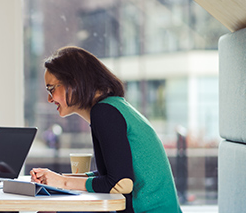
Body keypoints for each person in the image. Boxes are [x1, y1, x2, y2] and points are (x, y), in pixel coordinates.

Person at [30, 46, 182, 213]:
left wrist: (63, 182)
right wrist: (57, 179)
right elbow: (115, 173)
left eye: (51, 89)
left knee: (48, 210)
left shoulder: (104, 113)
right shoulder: (113, 107)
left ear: (74, 82)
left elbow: (120, 182)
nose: (49, 99)